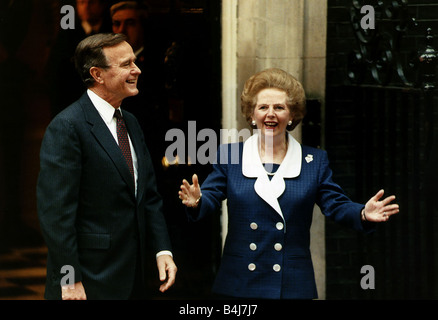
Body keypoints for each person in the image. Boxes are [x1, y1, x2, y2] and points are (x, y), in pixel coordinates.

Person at [178, 68, 399, 299]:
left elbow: (335, 204)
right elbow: (211, 196)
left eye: (279, 107)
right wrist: (197, 201)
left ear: (292, 115)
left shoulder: (313, 162)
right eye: (263, 107)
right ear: (252, 115)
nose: (270, 114)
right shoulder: (231, 156)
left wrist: (363, 212)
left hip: (290, 283)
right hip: (240, 281)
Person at [37, 33, 177, 300]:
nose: (137, 70)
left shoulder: (131, 122)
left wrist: (163, 251)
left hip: (134, 276)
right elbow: (56, 214)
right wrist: (70, 279)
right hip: (88, 280)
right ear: (97, 74)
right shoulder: (67, 127)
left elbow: (148, 196)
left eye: (134, 61)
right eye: (126, 64)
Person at [47, 0, 113, 117]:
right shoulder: (66, 36)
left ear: (102, 5)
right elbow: (56, 78)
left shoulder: (112, 32)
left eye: (91, 2)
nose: (86, 7)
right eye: (82, 2)